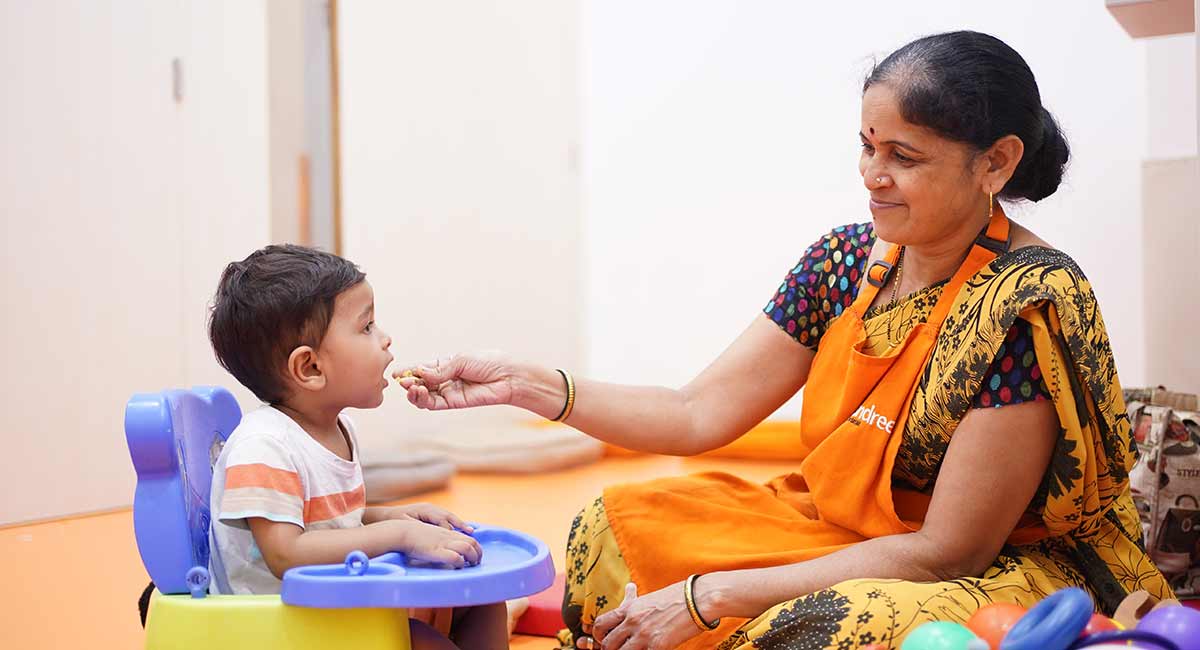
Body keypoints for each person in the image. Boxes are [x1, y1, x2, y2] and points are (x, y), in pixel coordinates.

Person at [394, 31, 1174, 649]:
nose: (872, 174)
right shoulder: (842, 260)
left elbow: (948, 553)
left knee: (823, 628)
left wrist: (713, 595)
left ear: (996, 162)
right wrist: (529, 387)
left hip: (988, 568)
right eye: (867, 145)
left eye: (903, 157)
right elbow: (696, 412)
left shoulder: (1025, 304)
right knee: (614, 528)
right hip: (834, 529)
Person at [207, 244, 509, 650]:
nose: (385, 340)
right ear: (310, 367)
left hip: (334, 603)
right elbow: (286, 553)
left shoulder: (336, 428)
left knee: (482, 600)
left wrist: (389, 514)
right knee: (416, 641)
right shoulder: (263, 447)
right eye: (366, 327)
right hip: (279, 626)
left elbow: (323, 524)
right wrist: (397, 534)